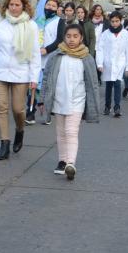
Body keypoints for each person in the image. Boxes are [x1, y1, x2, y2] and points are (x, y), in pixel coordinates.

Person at [0, 0, 41, 160]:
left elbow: (35, 54)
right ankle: (4, 143)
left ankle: (20, 130)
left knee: (18, 109)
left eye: (17, 5)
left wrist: (34, 78)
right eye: (11, 5)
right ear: (7, 5)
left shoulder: (31, 26)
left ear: (24, 6)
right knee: (1, 108)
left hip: (21, 74)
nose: (14, 8)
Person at [41, 24, 100, 180]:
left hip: (77, 100)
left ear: (81, 38)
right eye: (68, 36)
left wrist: (94, 104)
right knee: (60, 132)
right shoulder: (56, 56)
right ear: (64, 37)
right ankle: (62, 160)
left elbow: (93, 83)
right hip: (59, 99)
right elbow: (46, 78)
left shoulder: (87, 58)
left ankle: (70, 163)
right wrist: (42, 100)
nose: (72, 39)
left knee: (71, 131)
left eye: (75, 36)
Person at [96, 11, 128, 117]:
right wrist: (100, 64)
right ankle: (107, 106)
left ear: (120, 20)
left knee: (117, 84)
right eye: (112, 21)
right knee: (108, 85)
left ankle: (117, 107)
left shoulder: (126, 34)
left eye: (117, 21)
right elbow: (100, 49)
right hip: (108, 63)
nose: (115, 24)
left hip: (120, 63)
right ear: (110, 21)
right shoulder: (105, 34)